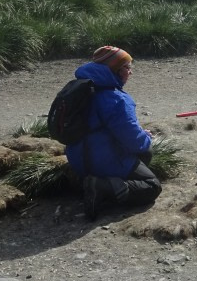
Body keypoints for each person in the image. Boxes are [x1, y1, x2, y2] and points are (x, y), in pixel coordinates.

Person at [66, 45, 161, 220]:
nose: (130, 72)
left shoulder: (80, 87)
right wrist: (146, 138)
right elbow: (134, 141)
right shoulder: (115, 98)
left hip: (78, 160)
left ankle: (90, 183)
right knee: (152, 184)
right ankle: (101, 186)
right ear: (114, 69)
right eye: (127, 67)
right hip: (102, 161)